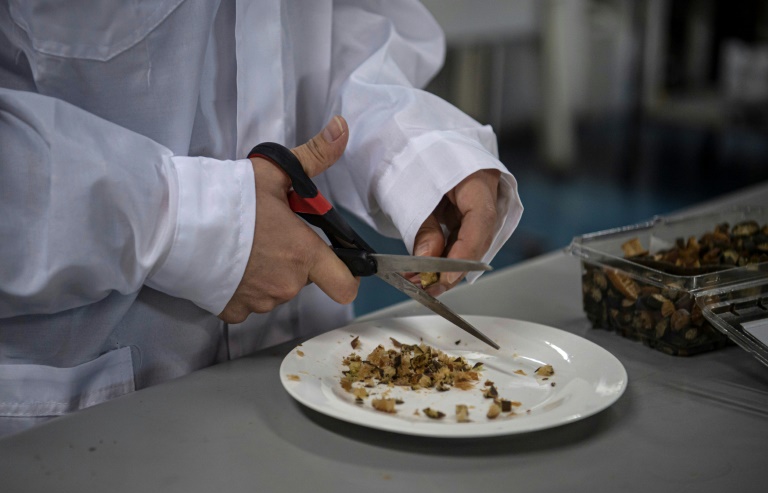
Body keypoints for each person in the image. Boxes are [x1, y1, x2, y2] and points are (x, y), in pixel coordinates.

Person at [0, 0, 523, 436]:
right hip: (85, 426)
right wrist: (188, 222)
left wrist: (420, 158)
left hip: (314, 387)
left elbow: (345, 33)